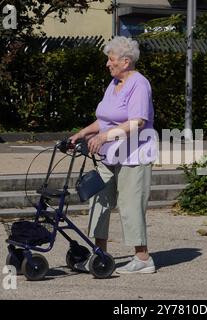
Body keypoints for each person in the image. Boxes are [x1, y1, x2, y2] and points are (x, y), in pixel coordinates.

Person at [69, 36, 157, 274]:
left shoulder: (139, 84)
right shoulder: (114, 84)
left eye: (111, 60)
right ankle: (99, 255)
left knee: (130, 205)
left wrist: (104, 137)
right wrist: (82, 133)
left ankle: (143, 258)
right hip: (110, 155)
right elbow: (105, 118)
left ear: (126, 61)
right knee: (99, 199)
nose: (108, 64)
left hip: (134, 155)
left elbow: (137, 122)